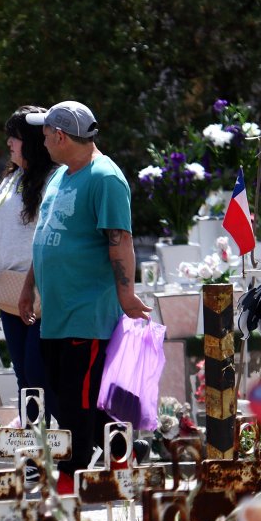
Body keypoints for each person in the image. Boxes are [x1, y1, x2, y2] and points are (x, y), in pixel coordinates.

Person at [21, 100, 151, 494]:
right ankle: (121, 451)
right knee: (67, 395)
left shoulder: (105, 177)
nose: (42, 142)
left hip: (87, 311)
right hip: (56, 311)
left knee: (77, 400)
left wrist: (127, 295)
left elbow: (120, 240)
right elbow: (45, 237)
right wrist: (29, 286)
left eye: (45, 135)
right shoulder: (61, 176)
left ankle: (71, 479)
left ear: (61, 136)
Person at [0, 106, 57, 426]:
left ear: (34, 141)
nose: (9, 142)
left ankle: (60, 450)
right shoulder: (9, 182)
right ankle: (36, 454)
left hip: (44, 295)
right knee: (25, 379)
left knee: (39, 378)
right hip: (9, 298)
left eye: (16, 136)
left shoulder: (55, 180)